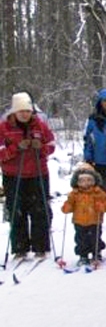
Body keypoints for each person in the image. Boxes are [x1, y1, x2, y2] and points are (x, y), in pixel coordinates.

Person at [0, 92, 56, 258]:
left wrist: (41, 147)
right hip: (13, 175)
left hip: (38, 173)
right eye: (21, 111)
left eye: (27, 111)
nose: (25, 114)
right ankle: (20, 248)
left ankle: (41, 247)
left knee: (40, 211)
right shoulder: (4, 128)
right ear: (14, 112)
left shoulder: (40, 125)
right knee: (17, 211)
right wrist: (16, 148)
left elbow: (51, 145)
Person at [61, 163, 106, 266]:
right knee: (81, 240)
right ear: (77, 182)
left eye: (89, 180)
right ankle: (83, 256)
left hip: (94, 221)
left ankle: (96, 253)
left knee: (95, 238)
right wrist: (67, 207)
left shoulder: (98, 193)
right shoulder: (74, 194)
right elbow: (69, 204)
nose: (86, 183)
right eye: (82, 181)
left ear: (94, 181)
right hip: (79, 221)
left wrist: (101, 206)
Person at [82, 88, 106, 191]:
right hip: (99, 161)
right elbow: (88, 140)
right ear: (100, 103)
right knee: (100, 195)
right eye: (105, 101)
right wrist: (88, 158)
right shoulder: (93, 120)